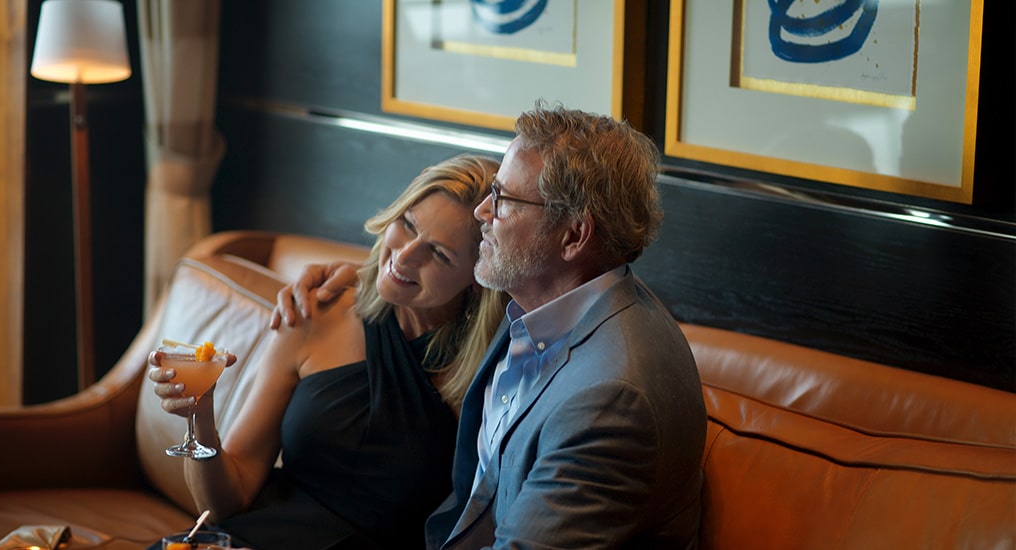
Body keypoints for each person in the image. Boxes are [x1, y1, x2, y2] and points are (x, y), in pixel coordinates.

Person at [275, 101, 708, 549]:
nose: (483, 211)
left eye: (503, 199)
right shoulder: (549, 298)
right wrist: (364, 276)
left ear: (575, 236)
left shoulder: (609, 399)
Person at [147, 154, 509, 549]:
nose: (405, 257)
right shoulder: (316, 313)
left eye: (438, 254)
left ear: (479, 275)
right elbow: (224, 504)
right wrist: (199, 415)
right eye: (407, 225)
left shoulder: (489, 375)